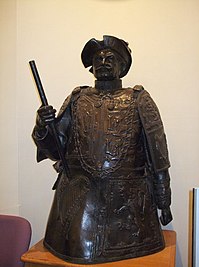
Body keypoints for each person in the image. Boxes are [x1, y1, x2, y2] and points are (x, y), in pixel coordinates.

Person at [32, 35, 172, 264]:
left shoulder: (139, 99)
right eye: (98, 58)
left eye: (111, 57)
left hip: (128, 208)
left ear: (122, 65)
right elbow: (55, 150)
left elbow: (158, 156)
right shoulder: (77, 99)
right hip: (79, 203)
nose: (103, 61)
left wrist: (164, 201)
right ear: (91, 67)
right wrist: (43, 125)